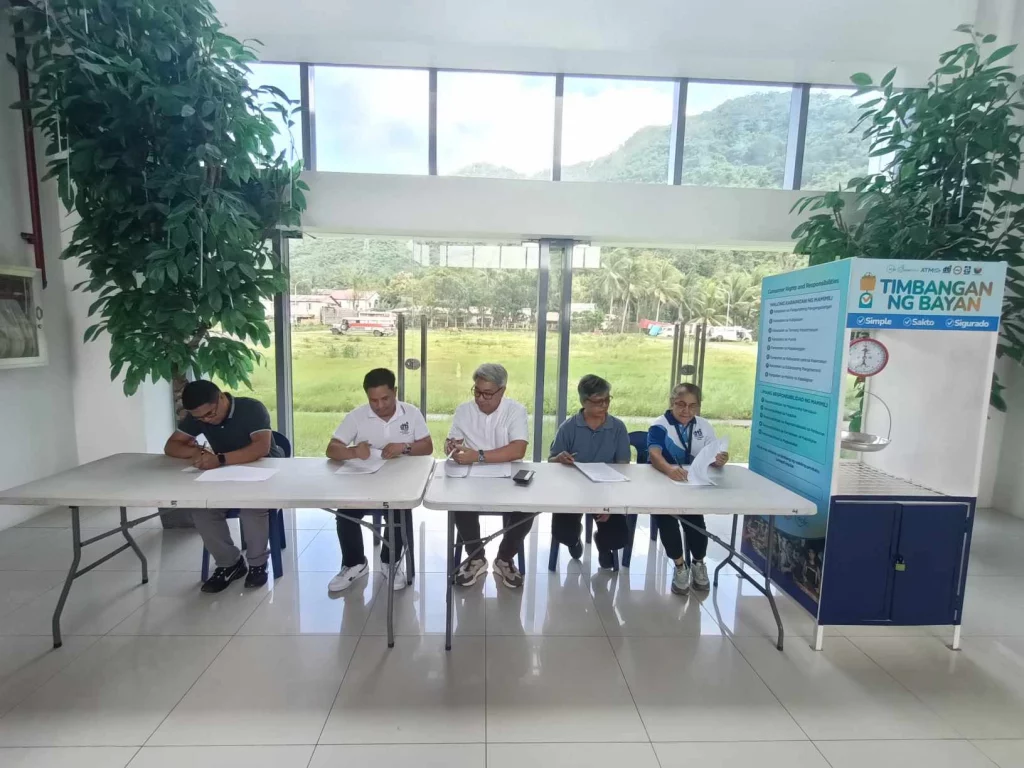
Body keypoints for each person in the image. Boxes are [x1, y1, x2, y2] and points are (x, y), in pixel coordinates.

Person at [163, 380, 284, 593]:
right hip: (223, 474)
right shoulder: (199, 415)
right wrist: (198, 453)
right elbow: (171, 446)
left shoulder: (251, 408)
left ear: (221, 397)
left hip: (263, 471)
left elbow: (261, 448)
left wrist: (219, 459)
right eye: (199, 418)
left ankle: (257, 563)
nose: (206, 420)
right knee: (202, 509)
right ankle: (230, 563)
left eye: (209, 414)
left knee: (252, 508)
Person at [325, 368, 432, 593]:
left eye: (385, 399)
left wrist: (404, 447)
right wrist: (354, 452)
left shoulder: (411, 413)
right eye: (373, 400)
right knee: (345, 512)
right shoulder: (357, 416)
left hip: (400, 483)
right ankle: (355, 563)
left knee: (398, 512)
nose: (380, 406)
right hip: (363, 483)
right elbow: (332, 449)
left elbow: (427, 447)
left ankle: (390, 561)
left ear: (395, 391)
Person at [446, 363, 530, 588]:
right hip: (471, 476)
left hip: (508, 476)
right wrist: (451, 447)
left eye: (487, 394)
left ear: (502, 391)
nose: (481, 399)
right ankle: (476, 558)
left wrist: (478, 456)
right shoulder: (464, 410)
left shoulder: (515, 411)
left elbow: (518, 450)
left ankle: (504, 558)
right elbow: (453, 440)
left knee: (528, 508)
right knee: (459, 503)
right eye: (477, 391)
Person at [647, 383, 729, 595]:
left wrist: (719, 460)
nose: (686, 410)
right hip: (663, 484)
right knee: (667, 520)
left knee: (696, 521)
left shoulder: (704, 425)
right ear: (672, 403)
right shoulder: (660, 425)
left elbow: (712, 453)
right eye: (681, 404)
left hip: (692, 484)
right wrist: (669, 470)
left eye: (693, 406)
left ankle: (698, 563)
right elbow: (654, 454)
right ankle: (679, 566)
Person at [549, 374, 631, 570]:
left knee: (618, 537)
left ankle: (602, 543)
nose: (604, 405)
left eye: (607, 400)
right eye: (597, 402)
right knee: (563, 533)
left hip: (606, 489)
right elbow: (551, 461)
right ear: (584, 402)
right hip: (573, 490)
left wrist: (609, 505)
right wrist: (559, 458)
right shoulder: (569, 427)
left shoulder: (617, 427)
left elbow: (623, 465)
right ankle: (574, 541)